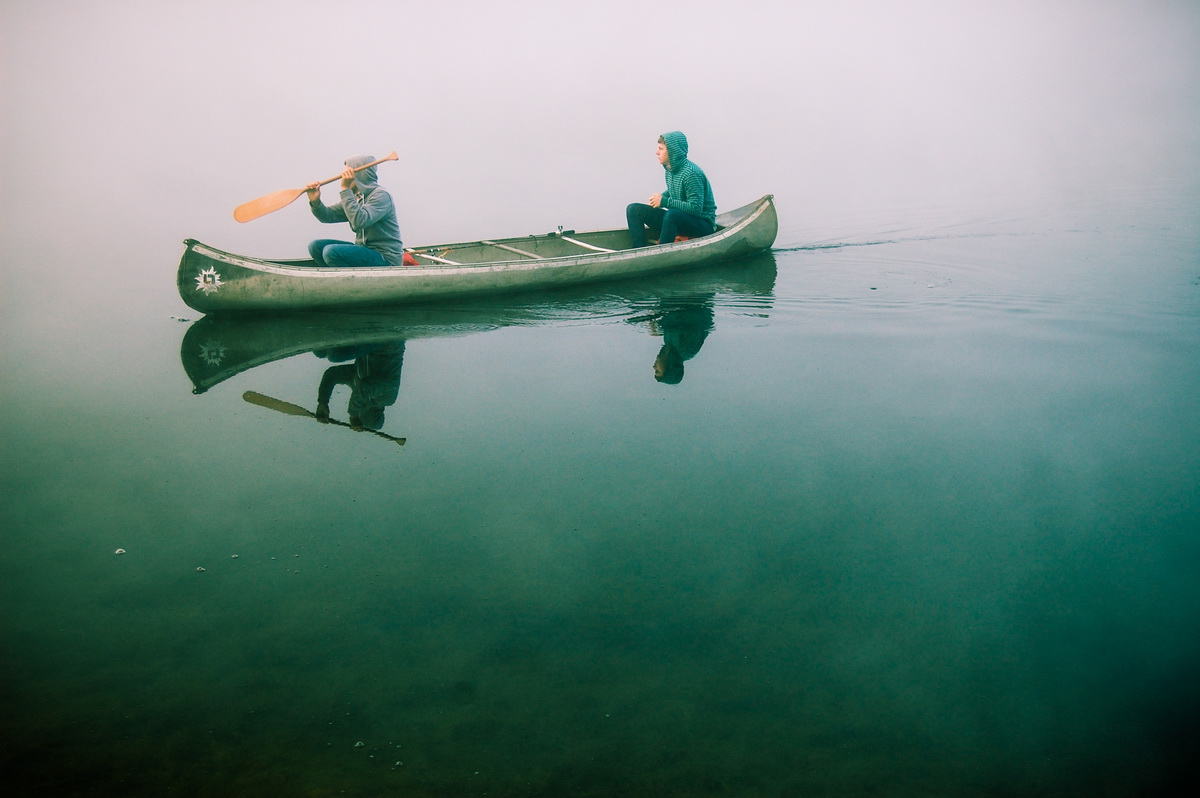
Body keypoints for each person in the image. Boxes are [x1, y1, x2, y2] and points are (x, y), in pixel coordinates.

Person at [306, 155, 404, 267]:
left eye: (347, 174)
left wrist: (345, 190)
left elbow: (359, 221)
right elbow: (327, 216)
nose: (342, 177)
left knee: (331, 252)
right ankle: (334, 279)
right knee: (315, 247)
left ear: (359, 175)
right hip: (365, 250)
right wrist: (315, 201)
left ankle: (347, 281)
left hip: (385, 257)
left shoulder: (381, 196)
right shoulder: (356, 197)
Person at [626, 131, 717, 248]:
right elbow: (674, 190)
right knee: (633, 209)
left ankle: (661, 252)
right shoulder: (670, 170)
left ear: (672, 151)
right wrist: (659, 199)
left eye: (661, 149)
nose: (656, 152)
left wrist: (664, 201)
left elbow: (696, 209)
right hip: (680, 220)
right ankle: (638, 250)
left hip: (702, 224)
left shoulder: (691, 173)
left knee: (672, 214)